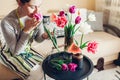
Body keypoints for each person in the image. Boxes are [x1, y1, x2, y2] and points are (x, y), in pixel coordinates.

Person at [0, 0, 48, 80]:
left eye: (39, 6)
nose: (37, 11)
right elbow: (15, 52)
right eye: (32, 7)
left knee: (47, 66)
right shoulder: (7, 22)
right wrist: (26, 31)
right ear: (19, 3)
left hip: (27, 50)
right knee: (37, 74)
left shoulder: (37, 15)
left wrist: (45, 36)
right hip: (10, 53)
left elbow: (38, 39)